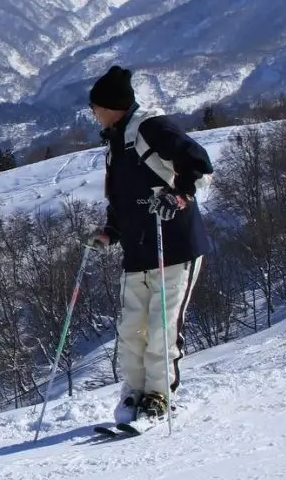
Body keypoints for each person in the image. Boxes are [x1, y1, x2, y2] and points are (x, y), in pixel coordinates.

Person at [87, 65, 214, 425]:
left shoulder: (150, 128)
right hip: (138, 250)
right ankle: (133, 393)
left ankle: (159, 396)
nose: (93, 113)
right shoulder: (115, 142)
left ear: (112, 106)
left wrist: (179, 195)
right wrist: (111, 230)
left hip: (173, 246)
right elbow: (123, 197)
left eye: (95, 106)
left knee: (162, 327)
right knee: (130, 329)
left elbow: (198, 162)